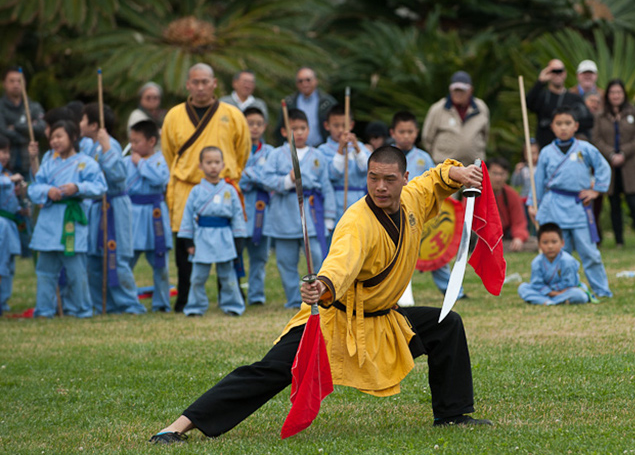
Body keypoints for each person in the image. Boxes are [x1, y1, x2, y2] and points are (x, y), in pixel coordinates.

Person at [148, 146, 490, 445]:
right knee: (271, 371)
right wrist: (322, 286)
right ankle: (178, 427)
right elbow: (341, 264)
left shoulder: (413, 197)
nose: (381, 187)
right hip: (336, 320)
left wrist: (458, 172)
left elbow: (435, 179)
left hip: (383, 319)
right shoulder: (357, 222)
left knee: (446, 324)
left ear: (404, 178)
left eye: (389, 179)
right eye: (373, 178)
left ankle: (453, 414)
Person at [161, 63, 250, 312]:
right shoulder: (174, 115)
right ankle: (185, 299)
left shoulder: (232, 114)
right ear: (188, 84)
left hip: (224, 186)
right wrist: (187, 171)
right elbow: (169, 153)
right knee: (185, 248)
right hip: (186, 186)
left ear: (214, 84)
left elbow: (242, 151)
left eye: (205, 82)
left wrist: (228, 171)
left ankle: (230, 299)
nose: (200, 87)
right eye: (195, 82)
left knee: (230, 248)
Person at [527, 105, 613, 299]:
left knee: (589, 253)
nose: (563, 128)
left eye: (567, 123)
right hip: (554, 205)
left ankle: (602, 290)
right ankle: (559, 289)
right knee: (557, 253)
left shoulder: (585, 148)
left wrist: (596, 190)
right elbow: (538, 181)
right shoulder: (547, 152)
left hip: (578, 207)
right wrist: (534, 203)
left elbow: (603, 167)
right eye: (559, 124)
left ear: (576, 126)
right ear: (552, 127)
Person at [29, 120, 107, 318]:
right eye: (52, 137)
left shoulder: (86, 163)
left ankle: (82, 309)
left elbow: (100, 187)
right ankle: (45, 310)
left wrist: (78, 188)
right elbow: (34, 188)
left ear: (73, 137)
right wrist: (48, 191)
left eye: (59, 136)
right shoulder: (48, 164)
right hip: (49, 222)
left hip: (71, 221)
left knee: (77, 272)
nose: (55, 141)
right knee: (45, 272)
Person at [261, 109, 335, 309]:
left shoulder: (317, 155)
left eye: (303, 128)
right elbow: (266, 179)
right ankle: (294, 300)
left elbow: (326, 186)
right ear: (285, 131)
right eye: (294, 128)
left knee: (319, 257)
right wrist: (287, 179)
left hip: (312, 214)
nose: (299, 132)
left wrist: (328, 217)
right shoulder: (277, 154)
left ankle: (321, 295)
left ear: (309, 130)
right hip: (284, 214)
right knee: (286, 262)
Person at [80, 103, 146, 315]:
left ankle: (128, 304)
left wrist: (107, 148)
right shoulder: (87, 146)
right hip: (97, 207)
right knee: (95, 257)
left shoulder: (111, 145)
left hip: (114, 205)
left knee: (116, 256)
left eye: (83, 120)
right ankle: (102, 305)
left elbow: (118, 175)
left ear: (94, 124)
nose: (80, 124)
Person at [391, 111, 464, 298]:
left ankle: (453, 291)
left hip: (420, 213)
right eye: (401, 131)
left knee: (434, 250)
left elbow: (436, 182)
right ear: (393, 133)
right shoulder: (387, 157)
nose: (406, 136)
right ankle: (397, 294)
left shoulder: (424, 158)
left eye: (410, 131)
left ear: (417, 132)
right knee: (395, 253)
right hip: (394, 211)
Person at [178, 146, 247, 316]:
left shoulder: (230, 190)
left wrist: (238, 240)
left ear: (223, 164)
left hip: (225, 236)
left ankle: (232, 306)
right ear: (200, 165)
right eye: (208, 162)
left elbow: (238, 216)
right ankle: (195, 307)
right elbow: (187, 216)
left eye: (217, 162)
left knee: (227, 276)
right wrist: (189, 242)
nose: (213, 166)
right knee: (198, 277)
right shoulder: (196, 191)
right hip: (202, 236)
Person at [592, 79, 635, 248]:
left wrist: (623, 152)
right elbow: (596, 139)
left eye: (619, 92)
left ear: (624, 95)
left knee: (633, 202)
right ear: (607, 95)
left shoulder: (633, 112)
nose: (616, 96)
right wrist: (610, 154)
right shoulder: (600, 115)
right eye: (612, 92)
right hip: (610, 165)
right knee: (614, 203)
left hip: (629, 164)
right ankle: (619, 241)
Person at [124, 120, 172, 312]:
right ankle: (127, 301)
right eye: (131, 142)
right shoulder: (127, 161)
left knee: (160, 262)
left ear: (152, 141)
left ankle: (161, 303)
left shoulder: (161, 160)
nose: (133, 146)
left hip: (155, 212)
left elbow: (161, 179)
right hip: (133, 213)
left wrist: (141, 163)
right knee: (127, 260)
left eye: (137, 142)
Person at [238, 107, 274, 305]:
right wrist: (257, 176)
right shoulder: (236, 150)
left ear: (265, 127)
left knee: (259, 256)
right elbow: (235, 178)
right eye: (250, 123)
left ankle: (256, 295)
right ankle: (235, 293)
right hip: (241, 209)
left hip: (263, 209)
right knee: (236, 255)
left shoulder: (271, 153)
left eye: (258, 124)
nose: (254, 128)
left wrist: (249, 174)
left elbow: (270, 179)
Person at [317, 104, 371, 226]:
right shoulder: (323, 150)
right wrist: (341, 149)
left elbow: (367, 169)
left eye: (344, 125)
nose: (341, 130)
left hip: (359, 199)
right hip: (335, 201)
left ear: (351, 125)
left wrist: (357, 148)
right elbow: (334, 174)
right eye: (336, 126)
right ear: (327, 126)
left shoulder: (360, 147)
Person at [422, 71, 490, 165]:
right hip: (445, 168)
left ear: (470, 90)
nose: (458, 93)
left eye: (462, 90)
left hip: (473, 166)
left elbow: (485, 135)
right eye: (455, 90)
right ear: (450, 90)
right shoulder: (437, 109)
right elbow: (427, 138)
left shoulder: (481, 108)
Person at [518, 222, 593, 305]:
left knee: (580, 295)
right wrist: (549, 292)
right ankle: (553, 301)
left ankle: (544, 301)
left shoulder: (568, 261)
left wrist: (556, 293)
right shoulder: (537, 262)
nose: (550, 246)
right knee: (523, 288)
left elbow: (570, 283)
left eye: (554, 242)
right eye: (545, 242)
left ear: (562, 243)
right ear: (539, 245)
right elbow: (537, 284)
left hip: (565, 292)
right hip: (545, 293)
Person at [526, 59, 593, 146]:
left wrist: (570, 126)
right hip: (545, 146)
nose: (557, 74)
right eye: (554, 71)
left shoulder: (574, 98)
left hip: (568, 148)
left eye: (560, 71)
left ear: (565, 73)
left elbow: (589, 121)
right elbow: (528, 104)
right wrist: (540, 82)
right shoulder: (542, 97)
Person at [0, 67, 46, 177]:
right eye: (11, 81)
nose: (16, 84)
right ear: (4, 84)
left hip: (30, 164)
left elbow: (41, 129)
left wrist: (16, 126)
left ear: (24, 83)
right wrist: (27, 133)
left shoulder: (34, 107)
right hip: (5, 165)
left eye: (19, 81)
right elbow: (3, 131)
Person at [276, 67, 337, 147]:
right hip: (295, 150)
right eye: (300, 81)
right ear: (296, 84)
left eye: (308, 80)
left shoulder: (327, 102)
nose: (304, 84)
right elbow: (281, 126)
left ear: (316, 81)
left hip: (322, 149)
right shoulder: (288, 102)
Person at [487, 157, 537, 252]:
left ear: (507, 176)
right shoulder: (476, 193)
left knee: (535, 243)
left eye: (502, 174)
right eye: (495, 173)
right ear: (487, 173)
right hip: (482, 239)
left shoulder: (511, 194)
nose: (498, 178)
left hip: (505, 238)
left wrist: (519, 237)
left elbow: (519, 221)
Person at [0, 135, 24, 313]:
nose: (5, 155)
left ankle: (3, 301)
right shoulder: (7, 177)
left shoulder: (7, 174)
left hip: (9, 222)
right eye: (1, 151)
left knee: (8, 264)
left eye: (7, 151)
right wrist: (10, 181)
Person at [511, 140, 539, 236]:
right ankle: (526, 237)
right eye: (528, 154)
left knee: (536, 220)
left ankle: (537, 237)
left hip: (537, 199)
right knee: (525, 220)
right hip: (524, 199)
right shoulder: (523, 169)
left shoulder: (541, 168)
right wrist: (516, 172)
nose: (531, 156)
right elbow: (515, 183)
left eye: (534, 153)